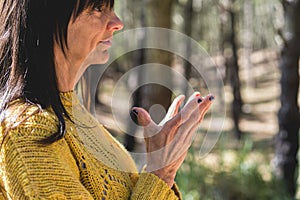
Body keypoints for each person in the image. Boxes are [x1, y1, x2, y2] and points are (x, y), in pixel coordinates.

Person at [0, 0, 214, 199]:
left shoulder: (73, 113)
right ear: (47, 16)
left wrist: (163, 173)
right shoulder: (28, 130)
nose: (117, 23)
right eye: (97, 8)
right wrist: (159, 174)